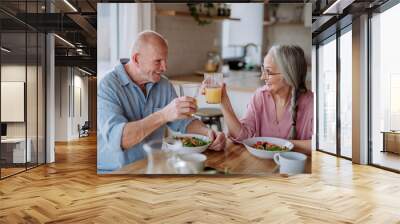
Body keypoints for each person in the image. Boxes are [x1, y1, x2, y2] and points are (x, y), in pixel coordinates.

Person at [98, 30, 226, 173]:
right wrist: (164, 115)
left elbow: (184, 122)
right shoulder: (108, 86)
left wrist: (207, 133)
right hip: (114, 173)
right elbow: (120, 140)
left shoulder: (163, 85)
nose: (164, 68)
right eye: (158, 61)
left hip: (152, 167)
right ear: (136, 59)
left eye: (165, 60)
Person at [217, 45, 313, 155]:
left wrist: (281, 144)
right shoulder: (260, 96)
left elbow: (319, 146)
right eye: (263, 70)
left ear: (288, 75)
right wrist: (223, 101)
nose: (263, 77)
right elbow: (242, 136)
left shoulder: (311, 103)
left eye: (269, 72)